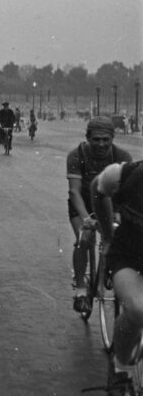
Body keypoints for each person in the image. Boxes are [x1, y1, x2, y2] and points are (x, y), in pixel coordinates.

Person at [66, 116, 132, 313]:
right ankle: (80, 288)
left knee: (121, 237)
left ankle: (111, 269)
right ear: (88, 138)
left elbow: (125, 192)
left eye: (106, 139)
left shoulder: (122, 156)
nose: (101, 144)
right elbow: (74, 192)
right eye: (96, 139)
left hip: (110, 203)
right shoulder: (76, 155)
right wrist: (86, 219)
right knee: (84, 238)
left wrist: (118, 215)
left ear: (112, 138)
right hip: (83, 203)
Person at [91, 160, 142, 389]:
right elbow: (97, 188)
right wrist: (107, 234)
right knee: (138, 308)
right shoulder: (128, 176)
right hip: (129, 256)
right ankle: (122, 366)